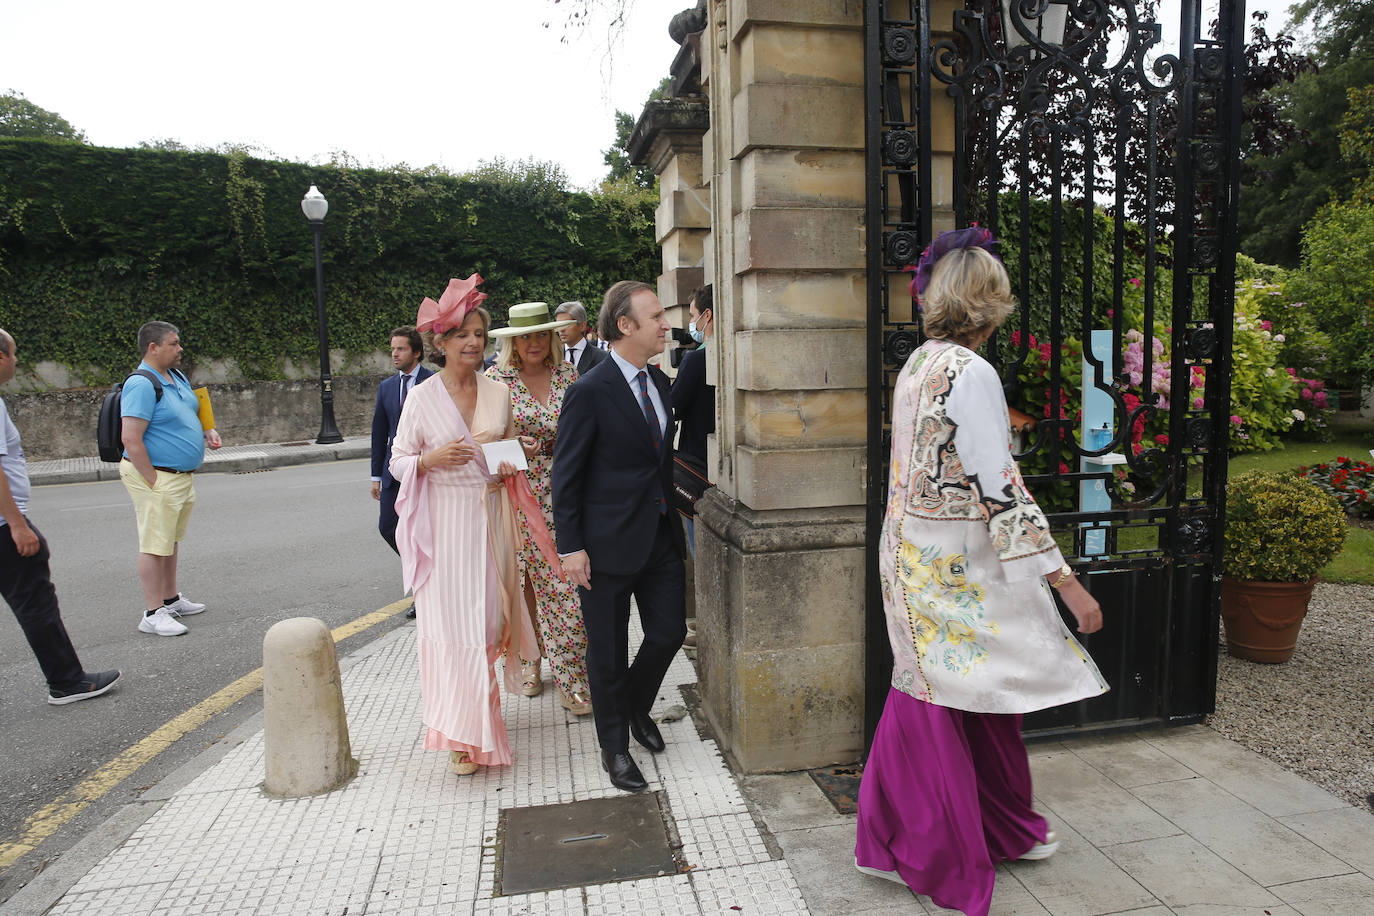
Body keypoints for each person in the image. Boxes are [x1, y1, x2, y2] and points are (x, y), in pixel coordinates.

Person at [854, 228, 1109, 916]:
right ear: (990, 302)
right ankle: (928, 851)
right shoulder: (971, 374)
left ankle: (1002, 827)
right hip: (949, 564)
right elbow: (1003, 486)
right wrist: (1067, 582)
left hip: (913, 555)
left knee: (961, 691)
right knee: (941, 698)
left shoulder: (917, 364)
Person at [389, 275, 546, 776]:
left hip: (490, 518)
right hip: (442, 526)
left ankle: (477, 715)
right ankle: (463, 735)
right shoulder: (421, 398)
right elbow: (398, 462)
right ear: (441, 342)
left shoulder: (499, 394)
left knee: (486, 624)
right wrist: (430, 459)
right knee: (449, 627)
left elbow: (512, 450)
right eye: (463, 335)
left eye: (479, 333)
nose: (474, 342)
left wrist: (514, 460)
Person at [552, 280, 687, 793]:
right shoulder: (589, 391)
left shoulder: (661, 382)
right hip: (603, 546)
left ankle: (634, 705)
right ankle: (615, 747)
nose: (665, 324)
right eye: (655, 316)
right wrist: (571, 547)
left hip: (659, 535)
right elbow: (565, 476)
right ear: (625, 326)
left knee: (669, 632)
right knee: (606, 651)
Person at [0, 329, 121, 705]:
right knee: (35, 600)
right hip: (4, 525)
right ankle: (67, 682)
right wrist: (17, 524)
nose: (18, 361)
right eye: (15, 354)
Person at [488, 303, 592, 715]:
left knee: (567, 585)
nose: (533, 343)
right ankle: (530, 661)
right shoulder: (496, 381)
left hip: (567, 491)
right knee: (524, 585)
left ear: (551, 337)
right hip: (516, 496)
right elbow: (482, 443)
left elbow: (589, 427)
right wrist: (515, 449)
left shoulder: (568, 376)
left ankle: (572, 675)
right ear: (513, 341)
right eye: (524, 336)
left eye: (539, 335)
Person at [119, 321, 222, 637]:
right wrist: (153, 480)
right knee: (154, 543)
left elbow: (193, 406)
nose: (180, 349)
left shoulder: (173, 376)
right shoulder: (140, 384)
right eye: (174, 344)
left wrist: (207, 429)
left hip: (177, 477)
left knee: (169, 539)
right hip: (158, 476)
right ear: (154, 347)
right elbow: (131, 438)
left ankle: (170, 598)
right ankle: (153, 612)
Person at [371, 326, 433, 619]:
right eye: (392, 349)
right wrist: (375, 477)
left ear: (416, 352)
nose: (394, 354)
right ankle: (423, 568)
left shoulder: (433, 381)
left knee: (423, 531)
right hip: (393, 471)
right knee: (388, 527)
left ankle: (423, 592)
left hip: (425, 471)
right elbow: (378, 433)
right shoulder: (386, 388)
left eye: (401, 349)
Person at [670, 284, 715, 554]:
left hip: (696, 466)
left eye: (692, 314)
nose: (691, 322)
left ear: (706, 315)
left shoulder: (695, 361)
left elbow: (675, 406)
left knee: (698, 545)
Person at [554, 301, 608, 374]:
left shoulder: (602, 358)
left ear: (582, 326)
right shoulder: (553, 358)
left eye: (566, 324)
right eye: (559, 325)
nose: (561, 329)